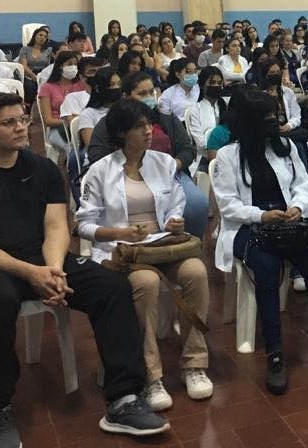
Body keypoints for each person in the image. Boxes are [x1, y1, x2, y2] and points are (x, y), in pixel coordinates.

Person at [0, 93, 170, 443]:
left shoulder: (41, 168)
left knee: (111, 287)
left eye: (23, 120)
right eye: (8, 122)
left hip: (42, 258)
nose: (20, 128)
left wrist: (54, 269)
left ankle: (124, 397)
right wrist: (32, 273)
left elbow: (56, 226)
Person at [213, 88, 308, 394]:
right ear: (248, 122)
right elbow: (227, 206)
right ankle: (275, 353)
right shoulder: (228, 156)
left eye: (273, 115)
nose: (273, 122)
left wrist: (296, 208)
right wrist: (261, 216)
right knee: (265, 266)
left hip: (289, 222)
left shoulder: (285, 147)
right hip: (248, 226)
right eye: (265, 118)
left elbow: (302, 184)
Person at [77, 99, 213, 410]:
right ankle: (151, 375)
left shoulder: (163, 163)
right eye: (139, 127)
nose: (148, 131)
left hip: (163, 244)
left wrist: (173, 221)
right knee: (146, 284)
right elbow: (83, 225)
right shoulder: (100, 171)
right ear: (121, 133)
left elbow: (176, 203)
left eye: (149, 125)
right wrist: (119, 233)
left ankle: (194, 363)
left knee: (195, 272)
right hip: (126, 252)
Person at [87, 72, 210, 240]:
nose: (149, 97)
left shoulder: (166, 119)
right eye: (142, 93)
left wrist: (172, 165)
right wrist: (123, 166)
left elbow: (187, 149)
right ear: (126, 96)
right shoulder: (110, 123)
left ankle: (190, 244)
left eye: (151, 92)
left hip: (171, 173)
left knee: (196, 204)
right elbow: (96, 153)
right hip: (125, 174)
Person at [258, 58, 308, 169]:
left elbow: (296, 115)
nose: (275, 75)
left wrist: (288, 125)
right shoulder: (259, 94)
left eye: (278, 72)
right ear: (265, 75)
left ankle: (304, 174)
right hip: (269, 131)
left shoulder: (288, 92)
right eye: (272, 72)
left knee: (300, 144)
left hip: (287, 129)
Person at [38, 50, 87, 156]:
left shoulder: (82, 85)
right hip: (59, 128)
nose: (73, 67)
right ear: (60, 66)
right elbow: (48, 120)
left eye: (76, 64)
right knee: (73, 151)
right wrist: (68, 121)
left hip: (82, 126)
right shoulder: (47, 87)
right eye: (70, 64)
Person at [188, 67, 227, 165]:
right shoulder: (195, 109)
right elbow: (201, 143)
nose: (216, 86)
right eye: (212, 82)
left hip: (228, 155)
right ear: (202, 85)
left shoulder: (226, 105)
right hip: (205, 159)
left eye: (219, 83)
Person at [158, 58, 200, 122]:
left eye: (195, 71)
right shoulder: (168, 94)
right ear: (178, 74)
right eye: (188, 72)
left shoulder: (200, 90)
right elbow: (166, 119)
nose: (193, 75)